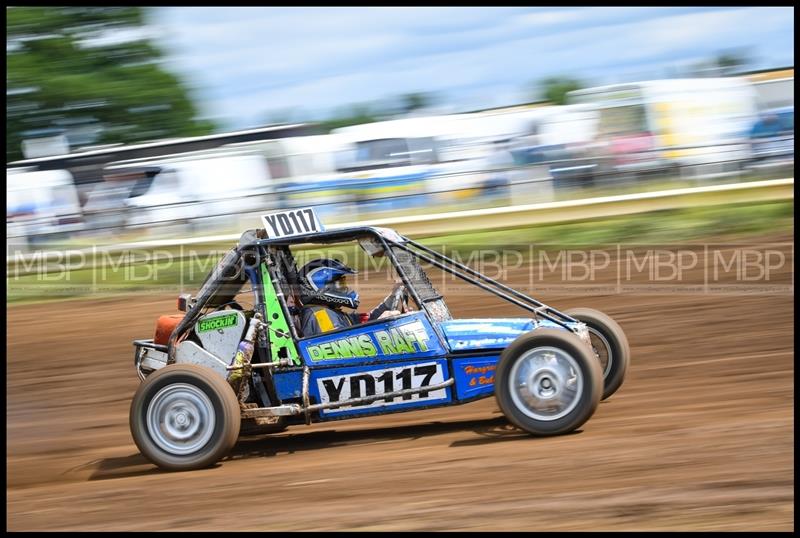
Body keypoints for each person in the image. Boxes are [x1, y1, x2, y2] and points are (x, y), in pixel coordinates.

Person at [298, 258, 405, 337]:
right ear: (320, 287)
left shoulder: (332, 312)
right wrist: (380, 327)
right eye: (340, 284)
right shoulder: (320, 314)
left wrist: (395, 293)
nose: (345, 288)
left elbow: (368, 320)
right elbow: (341, 345)